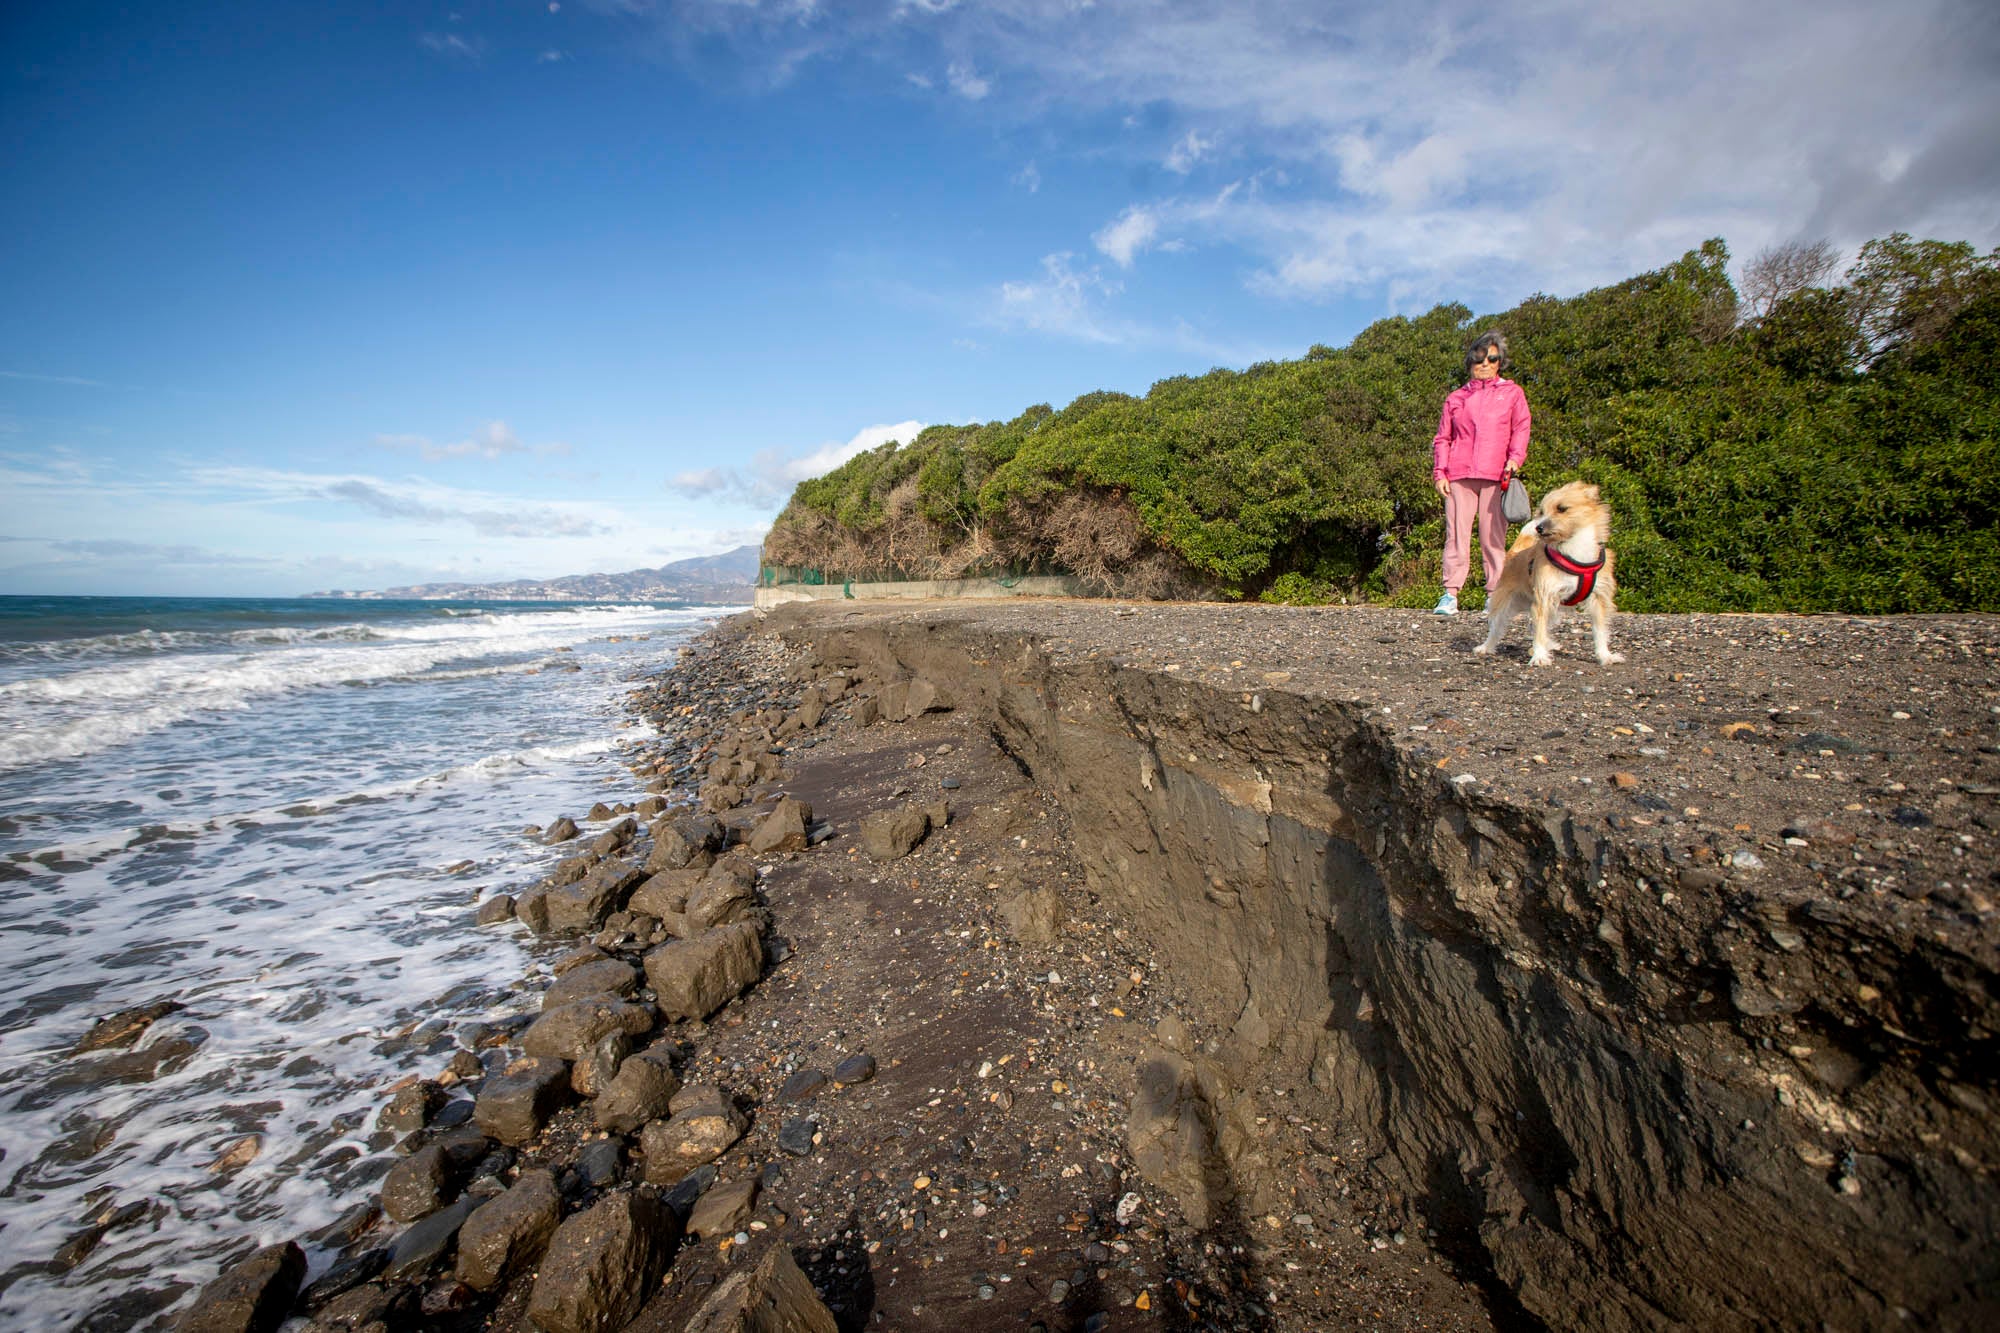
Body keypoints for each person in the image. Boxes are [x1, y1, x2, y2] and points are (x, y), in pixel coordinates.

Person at [1430, 330, 1529, 615]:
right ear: (1470, 361)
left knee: (1492, 538)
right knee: (1456, 537)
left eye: (1492, 358)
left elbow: (1521, 428)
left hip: (1496, 475)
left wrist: (1515, 460)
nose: (1485, 363)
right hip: (1458, 476)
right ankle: (1450, 595)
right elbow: (1443, 438)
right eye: (1479, 358)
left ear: (1500, 361)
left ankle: (1494, 594)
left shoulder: (1512, 393)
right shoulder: (1456, 397)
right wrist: (1440, 473)